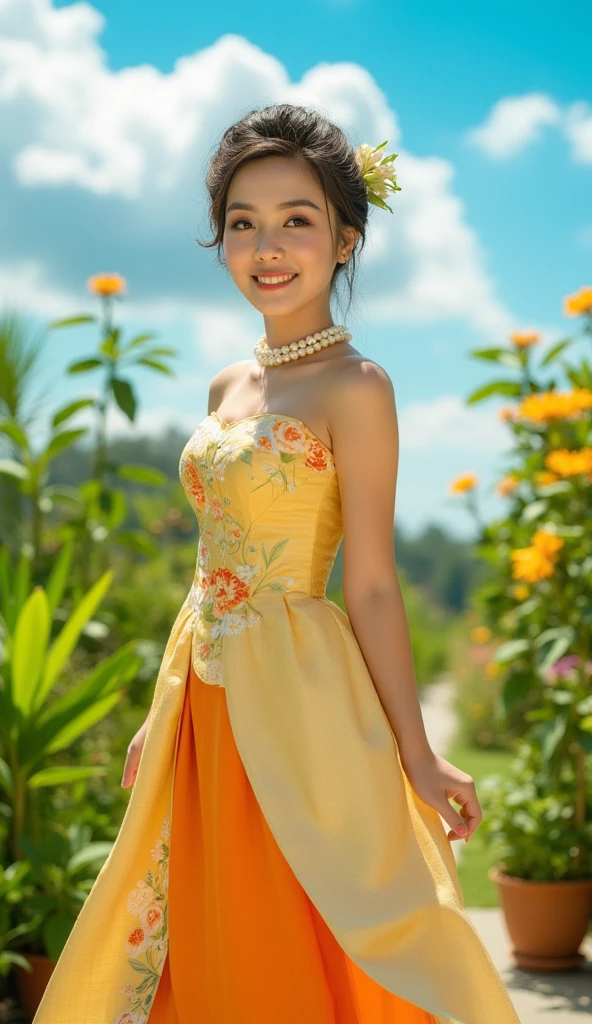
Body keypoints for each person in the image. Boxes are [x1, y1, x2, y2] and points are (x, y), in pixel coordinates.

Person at [32, 103, 520, 1024]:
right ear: (221, 241)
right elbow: (211, 561)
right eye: (243, 223)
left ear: (345, 239)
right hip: (203, 691)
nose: (268, 245)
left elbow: (371, 581)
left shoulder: (357, 387)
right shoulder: (228, 383)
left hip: (299, 693)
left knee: (299, 911)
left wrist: (417, 752)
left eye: (297, 219)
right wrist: (156, 711)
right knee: (207, 918)